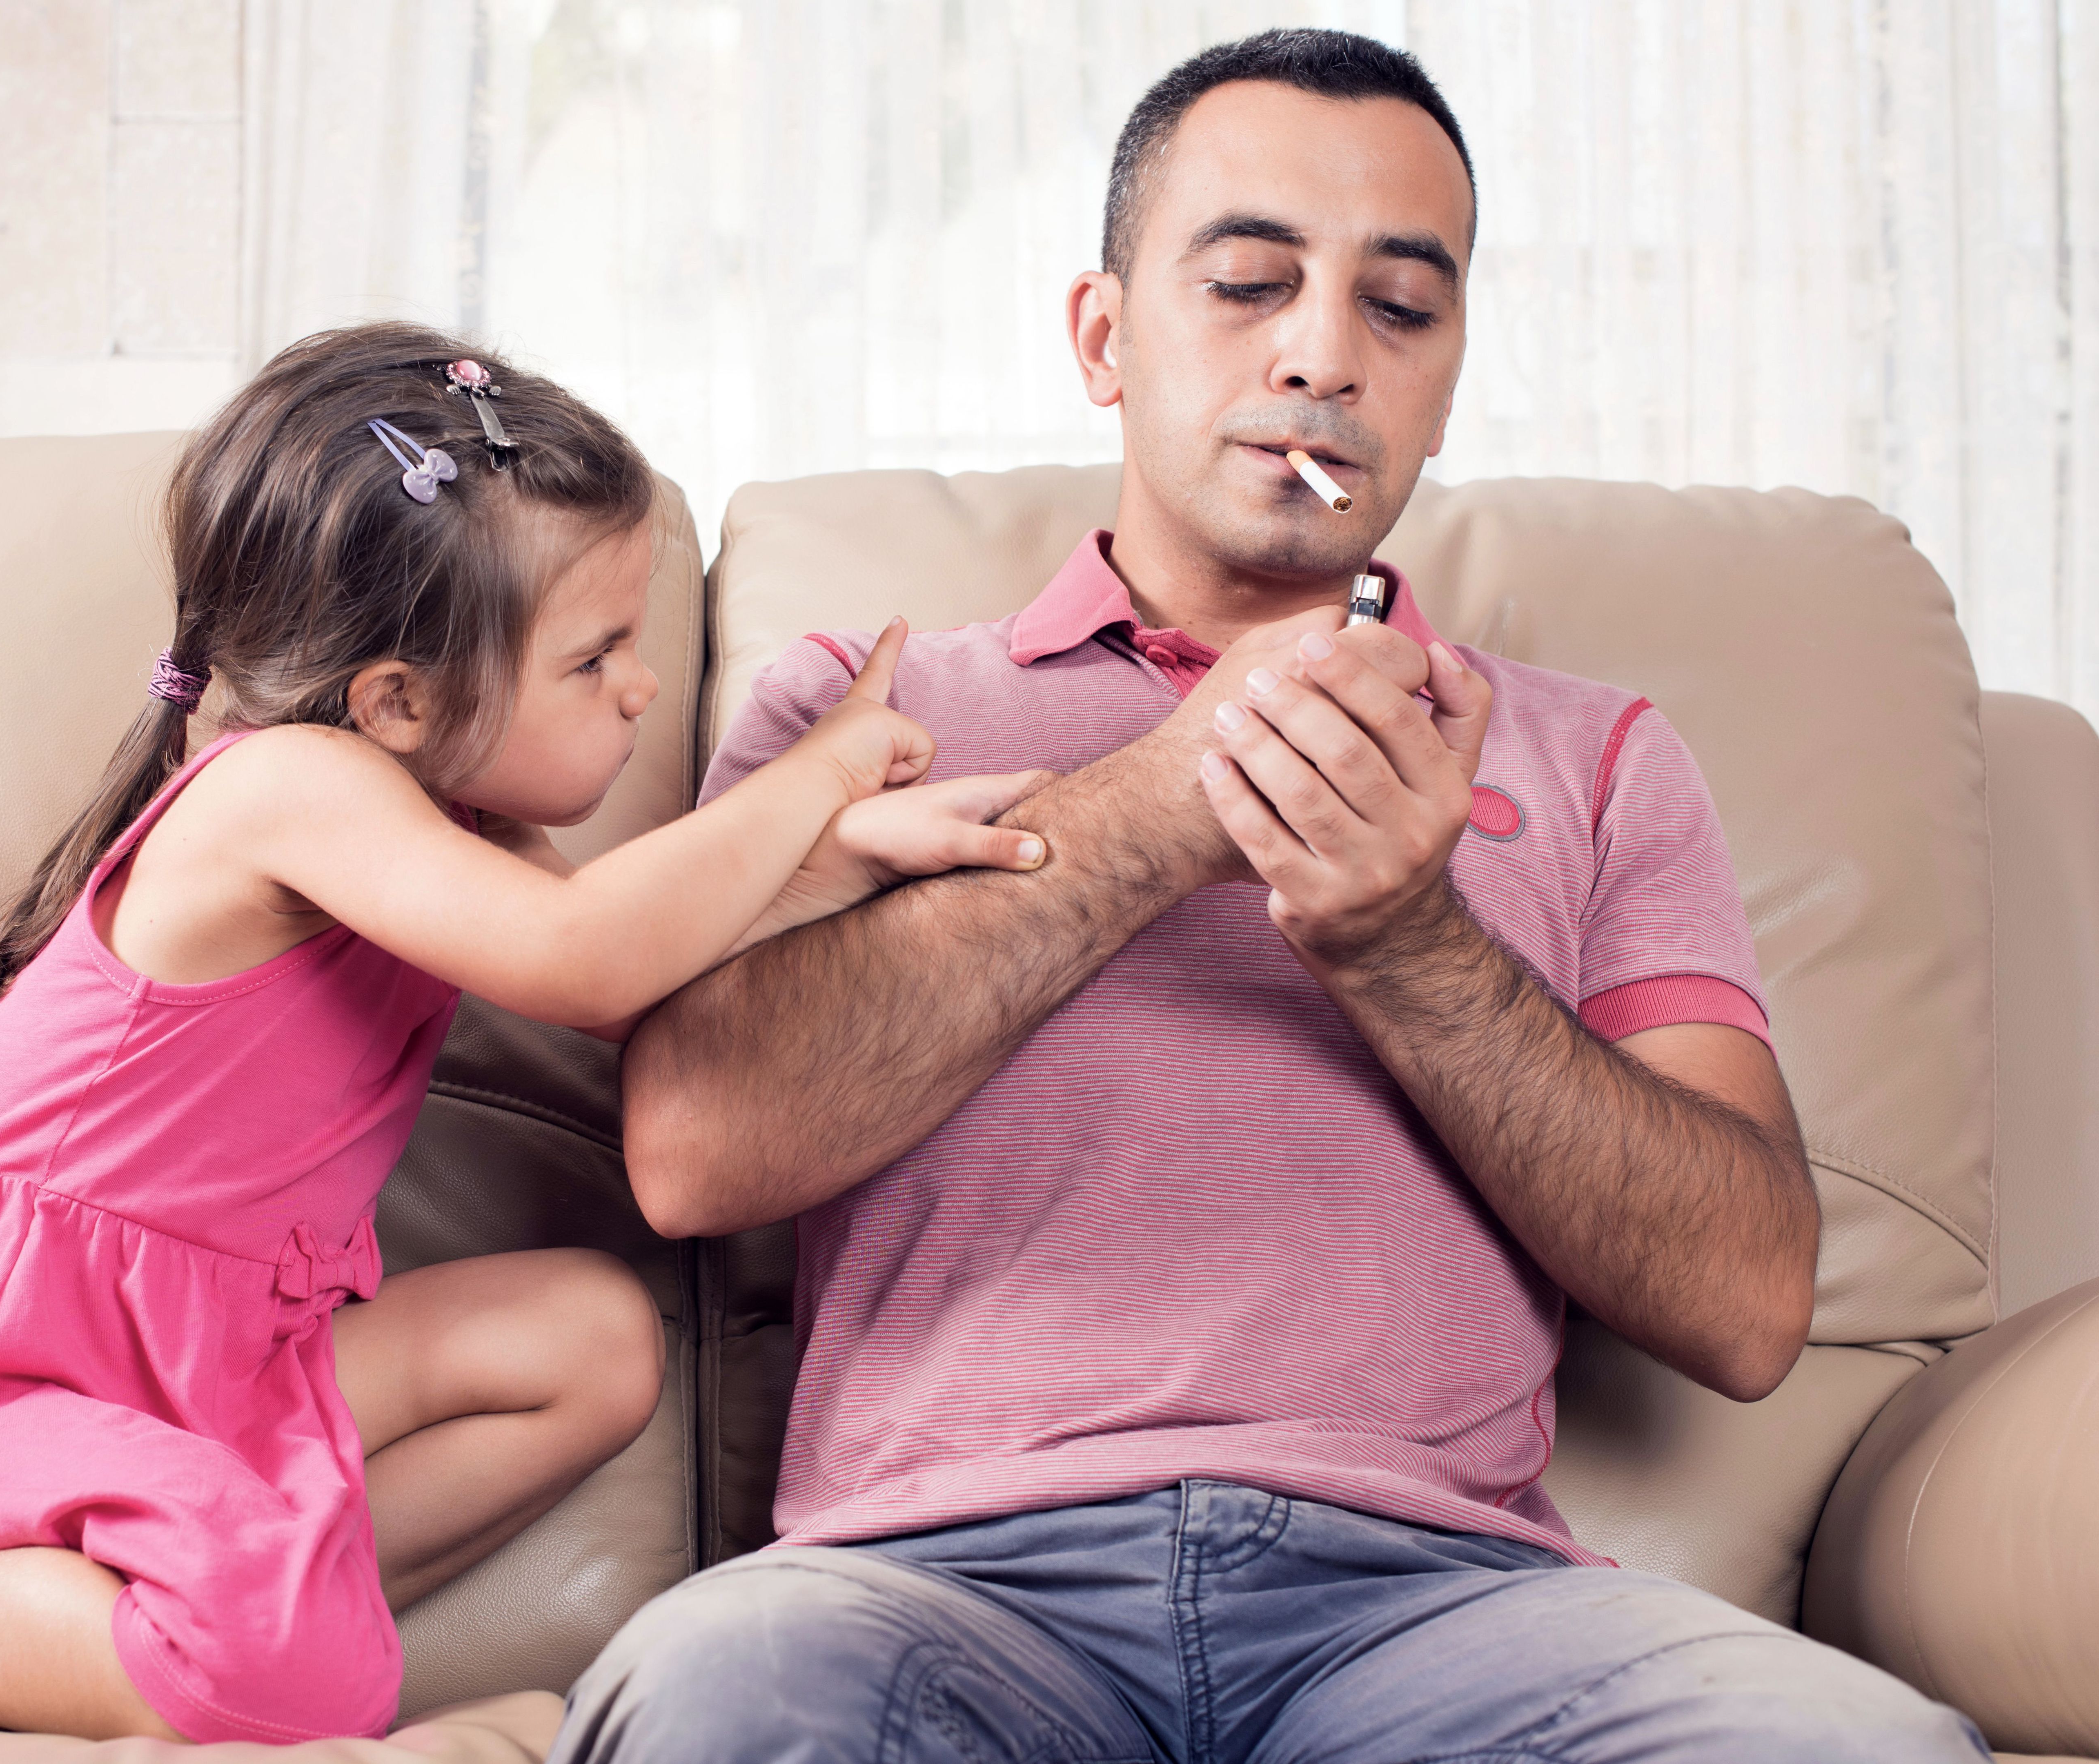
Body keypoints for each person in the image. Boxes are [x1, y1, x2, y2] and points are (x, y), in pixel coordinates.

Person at [559, 29, 1990, 1764]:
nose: (1319, 355)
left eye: (1398, 312)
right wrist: (1168, 801)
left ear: (1447, 380)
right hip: (932, 1591)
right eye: (1245, 284)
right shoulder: (856, 711)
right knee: (718, 1695)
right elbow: (696, 1150)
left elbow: (1748, 1305)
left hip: (1442, 1614)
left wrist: (1406, 943)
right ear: (1102, 337)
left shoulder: (1597, 757)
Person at [0, 322, 1050, 1748]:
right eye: (597, 654)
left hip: (226, 1362)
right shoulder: (288, 787)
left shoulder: (440, 822)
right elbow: (581, 951)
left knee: (598, 1346)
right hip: (30, 1367)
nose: (644, 686)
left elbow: (625, 978)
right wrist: (817, 769)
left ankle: (172, 1613)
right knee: (301, 1690)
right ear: (397, 700)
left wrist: (841, 857)